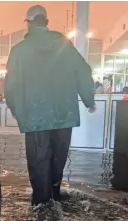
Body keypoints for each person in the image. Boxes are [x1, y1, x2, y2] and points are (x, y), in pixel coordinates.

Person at [5, 5, 95, 207]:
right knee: (58, 160)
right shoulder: (65, 45)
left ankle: (41, 209)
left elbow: (10, 87)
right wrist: (89, 100)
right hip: (65, 115)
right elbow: (83, 72)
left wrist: (18, 112)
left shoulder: (19, 51)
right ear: (46, 21)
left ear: (28, 24)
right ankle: (55, 198)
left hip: (35, 118)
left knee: (39, 163)